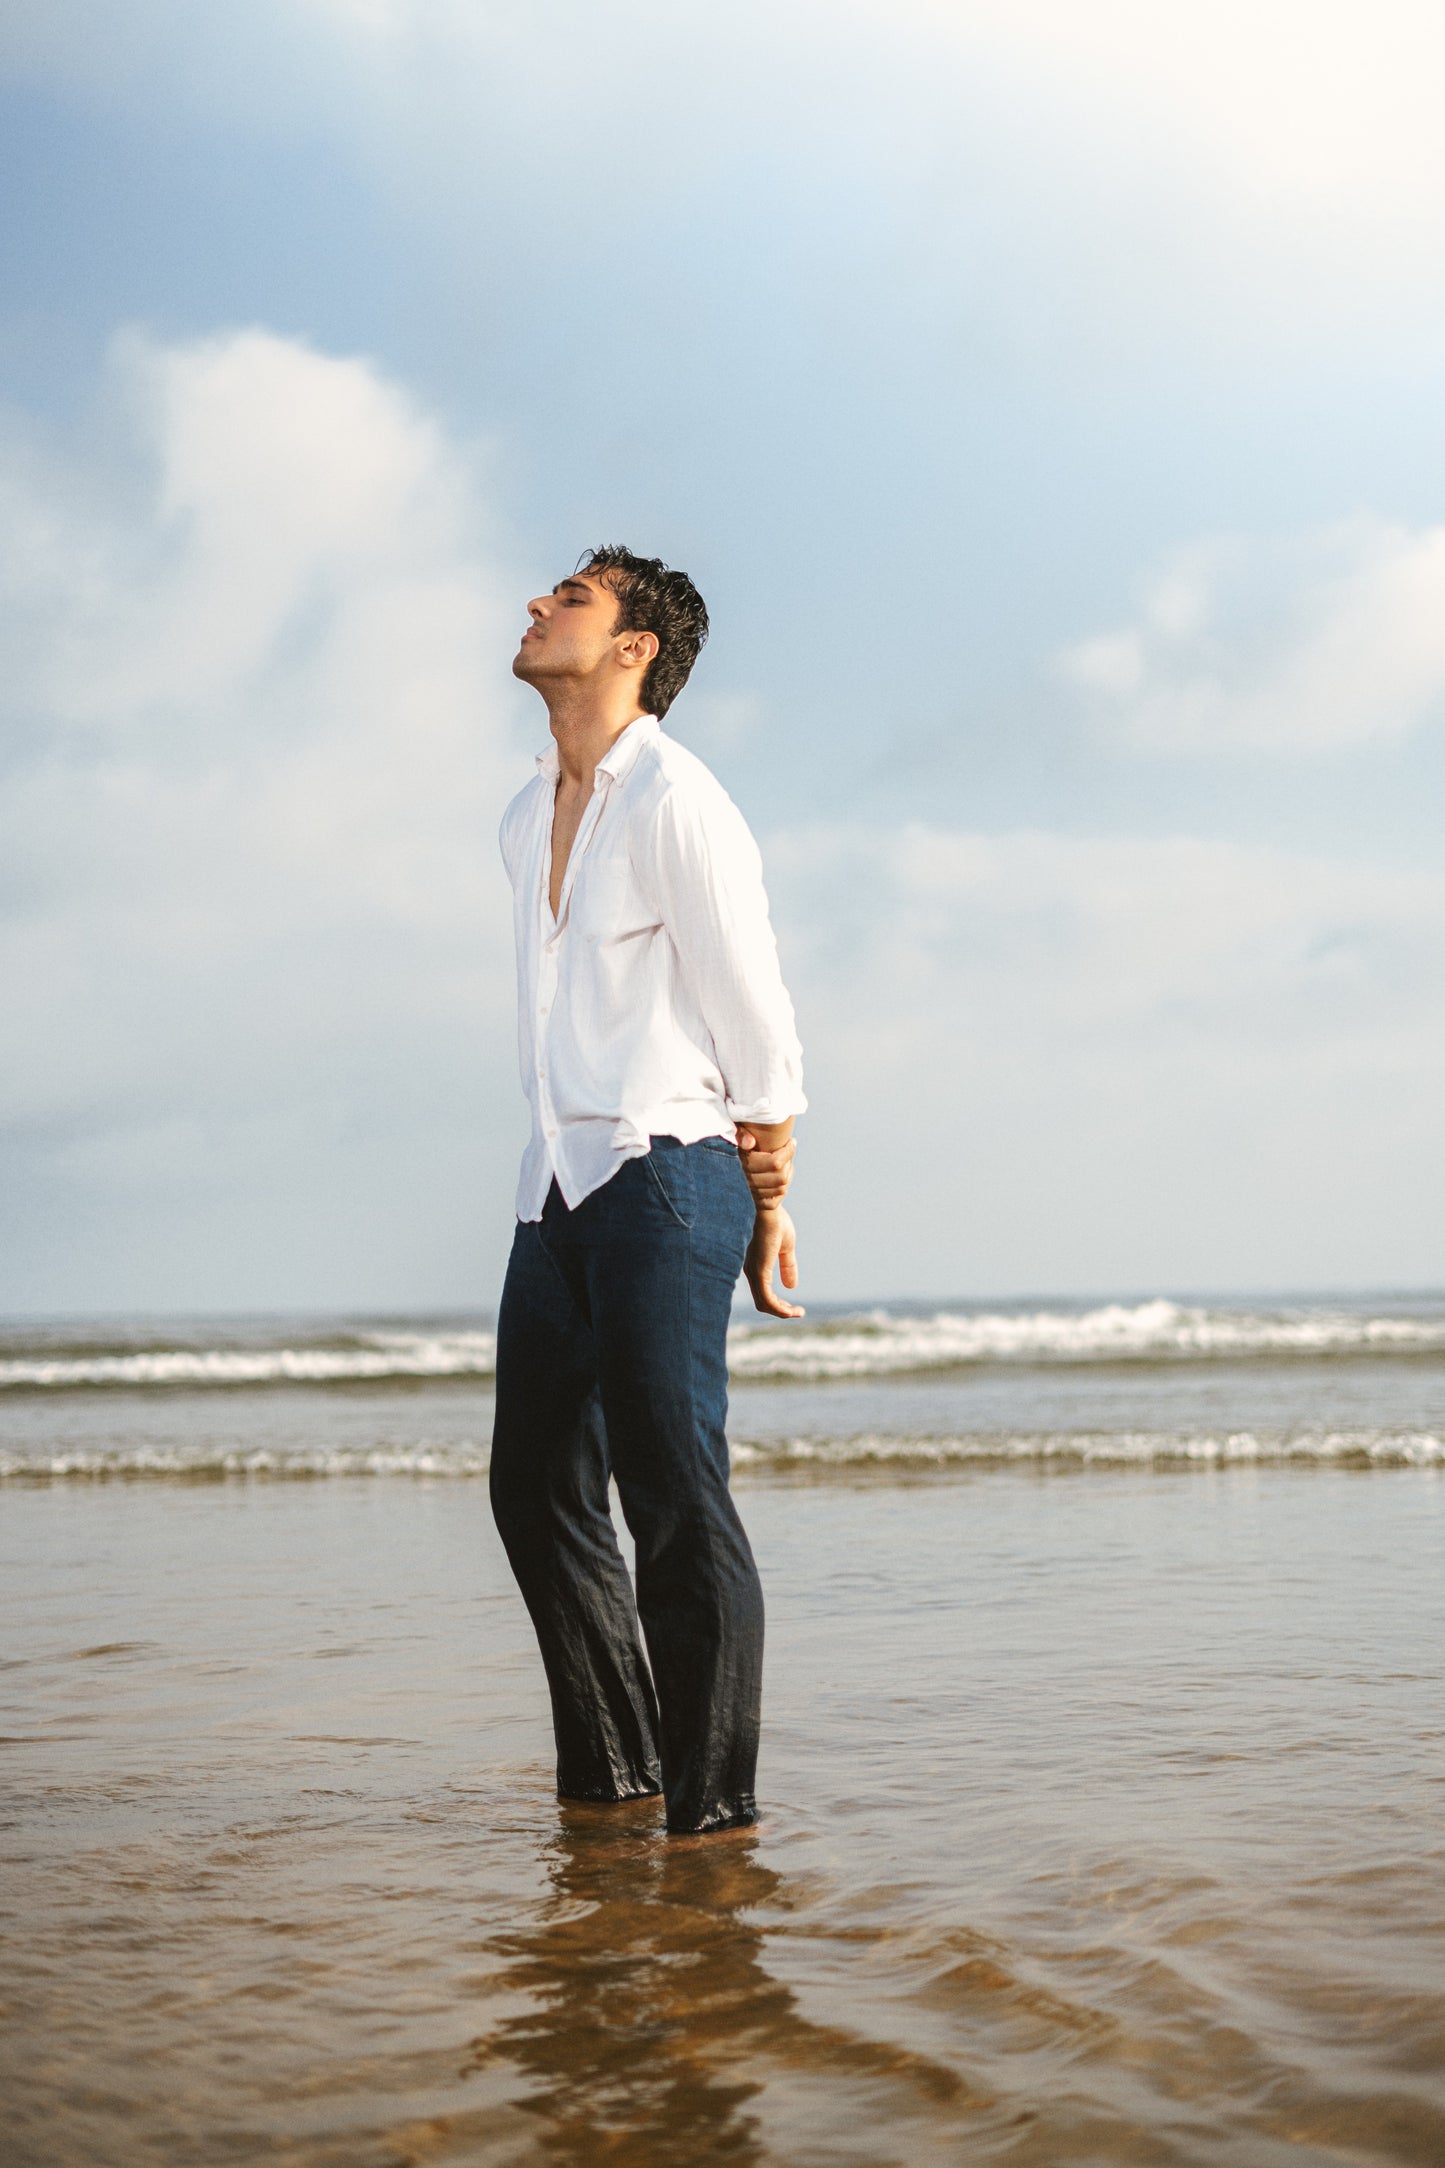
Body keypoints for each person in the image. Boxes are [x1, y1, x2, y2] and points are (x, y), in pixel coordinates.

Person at [489, 545, 806, 1835]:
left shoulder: (679, 798)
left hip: (672, 1174)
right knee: (534, 1488)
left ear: (633, 649)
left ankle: (715, 1819)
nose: (536, 604)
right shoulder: (523, 815)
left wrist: (769, 1191)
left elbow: (756, 1009)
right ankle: (617, 1781)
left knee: (675, 1495)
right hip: (559, 1184)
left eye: (570, 597)